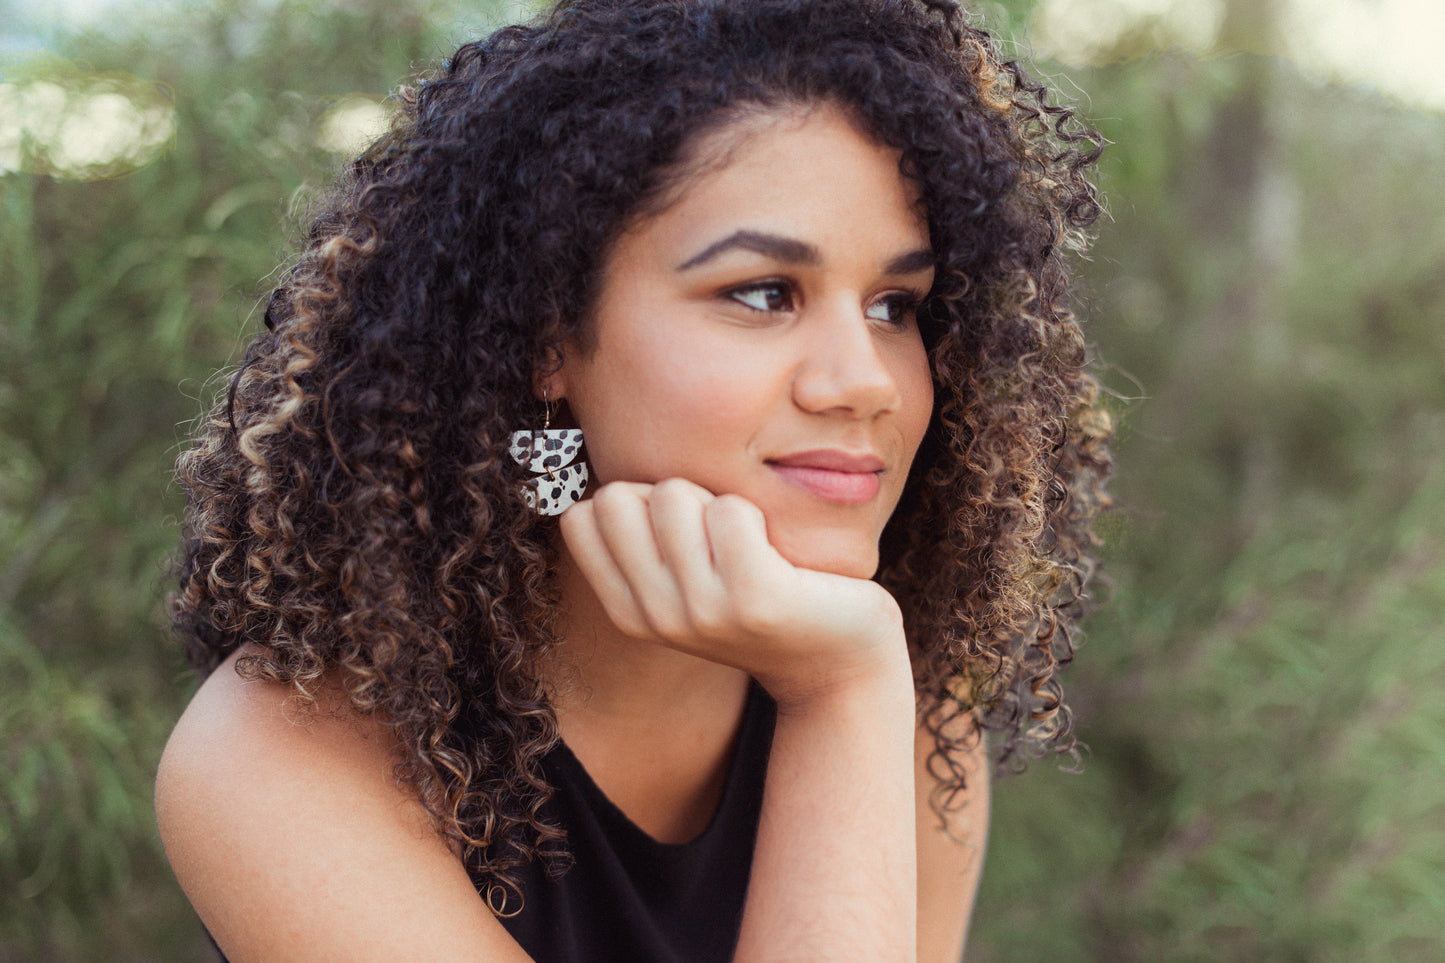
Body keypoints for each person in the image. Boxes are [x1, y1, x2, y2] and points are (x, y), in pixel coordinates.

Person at [155, 0, 1112, 959]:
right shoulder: (286, 752)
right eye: (763, 293)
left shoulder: (896, 705)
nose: (864, 381)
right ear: (546, 339)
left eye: (894, 305)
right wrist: (838, 692)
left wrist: (848, 691)